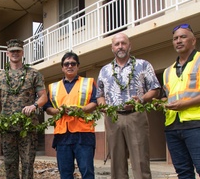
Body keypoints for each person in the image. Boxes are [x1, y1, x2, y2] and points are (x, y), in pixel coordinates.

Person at [96, 32, 160, 179]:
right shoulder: (104, 70)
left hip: (136, 116)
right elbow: (99, 95)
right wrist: (104, 106)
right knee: (117, 163)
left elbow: (155, 89)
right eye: (117, 44)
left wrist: (142, 99)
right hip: (113, 118)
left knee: (140, 160)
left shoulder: (143, 65)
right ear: (112, 48)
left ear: (129, 46)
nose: (120, 46)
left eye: (123, 43)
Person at [0, 38, 47, 179]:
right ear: (7, 53)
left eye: (18, 51)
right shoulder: (0, 77)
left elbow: (43, 97)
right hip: (8, 128)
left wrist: (34, 105)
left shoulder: (33, 74)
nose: (15, 53)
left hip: (28, 127)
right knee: (10, 163)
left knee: (27, 163)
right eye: (12, 51)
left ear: (22, 52)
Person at [43, 52, 97, 179]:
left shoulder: (88, 83)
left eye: (73, 63)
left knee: (87, 172)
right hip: (62, 135)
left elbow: (95, 102)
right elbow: (47, 107)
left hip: (84, 133)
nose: (69, 66)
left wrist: (81, 109)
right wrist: (57, 111)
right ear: (62, 67)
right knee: (65, 173)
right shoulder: (53, 87)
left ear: (78, 66)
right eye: (66, 64)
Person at [162, 23, 200, 178]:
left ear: (193, 40)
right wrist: (162, 102)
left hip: (196, 124)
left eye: (183, 37)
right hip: (172, 127)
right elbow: (167, 95)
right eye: (175, 38)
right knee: (183, 172)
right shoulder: (167, 71)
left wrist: (185, 104)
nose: (178, 40)